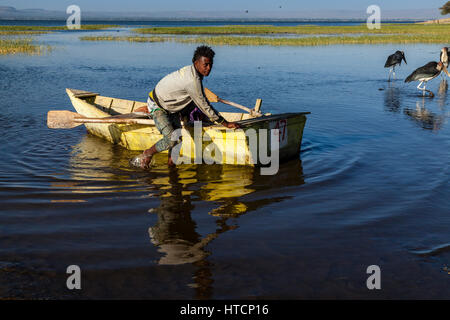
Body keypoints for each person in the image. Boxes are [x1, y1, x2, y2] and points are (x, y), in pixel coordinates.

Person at [130, 45, 240, 169]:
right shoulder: (192, 80)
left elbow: (196, 100)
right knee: (172, 140)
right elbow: (204, 104)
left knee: (178, 140)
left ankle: (171, 167)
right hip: (158, 105)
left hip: (172, 106)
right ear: (196, 63)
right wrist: (225, 123)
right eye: (205, 65)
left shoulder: (194, 74)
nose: (208, 68)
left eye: (210, 65)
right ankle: (147, 154)